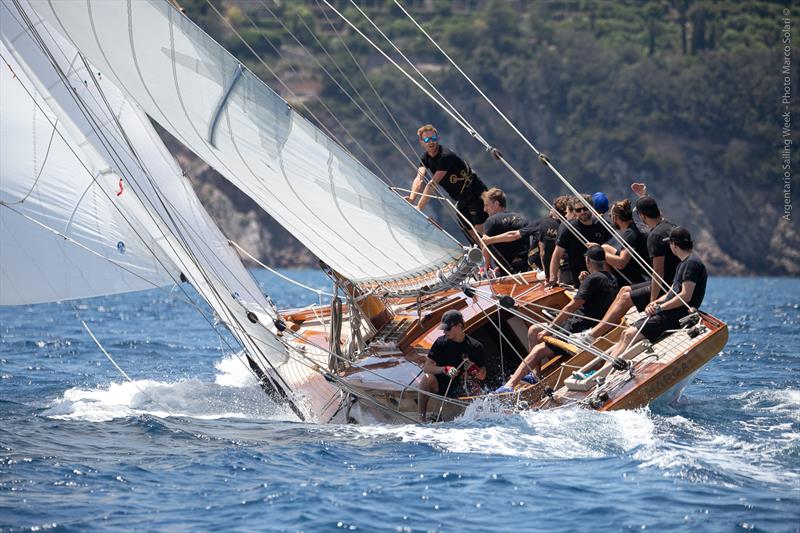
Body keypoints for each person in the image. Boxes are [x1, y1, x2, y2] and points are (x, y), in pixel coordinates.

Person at [496, 246, 618, 391]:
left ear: (587, 260)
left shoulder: (592, 279)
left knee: (538, 351)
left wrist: (550, 330)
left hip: (578, 328)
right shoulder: (611, 279)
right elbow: (593, 300)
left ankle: (509, 386)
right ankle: (535, 375)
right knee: (534, 330)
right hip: (590, 322)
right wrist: (582, 283)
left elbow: (571, 307)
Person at [574, 195, 680, 343]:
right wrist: (644, 195)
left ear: (642, 215)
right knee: (624, 290)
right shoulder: (668, 225)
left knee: (624, 297)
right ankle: (597, 328)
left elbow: (656, 272)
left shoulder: (645, 235)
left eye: (611, 216)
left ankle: (591, 336)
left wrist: (653, 301)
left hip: (666, 285)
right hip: (670, 281)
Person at [608, 227, 707, 358]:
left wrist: (660, 308)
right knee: (625, 333)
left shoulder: (691, 264)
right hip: (667, 312)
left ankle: (605, 373)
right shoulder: (683, 264)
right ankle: (605, 367)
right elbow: (672, 291)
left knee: (628, 335)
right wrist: (655, 302)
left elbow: (685, 296)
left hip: (674, 315)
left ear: (674, 245)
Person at [406, 124, 489, 242]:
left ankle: (491, 257)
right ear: (421, 143)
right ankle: (479, 254)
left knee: (479, 229)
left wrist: (419, 207)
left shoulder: (445, 156)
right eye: (427, 139)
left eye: (433, 138)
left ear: (438, 139)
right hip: (461, 198)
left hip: (475, 192)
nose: (431, 142)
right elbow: (419, 178)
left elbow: (432, 184)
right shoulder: (425, 158)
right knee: (468, 230)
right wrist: (411, 198)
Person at [418, 310, 487, 422]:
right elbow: (427, 367)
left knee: (477, 388)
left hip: (461, 386)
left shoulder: (475, 346)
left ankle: (481, 419)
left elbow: (482, 375)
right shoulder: (441, 342)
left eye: (448, 329)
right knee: (426, 378)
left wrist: (474, 369)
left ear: (459, 326)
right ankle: (422, 418)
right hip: (440, 385)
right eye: (443, 329)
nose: (445, 332)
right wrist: (444, 369)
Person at [548, 195, 612, 288]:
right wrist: (552, 279)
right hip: (579, 280)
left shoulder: (601, 225)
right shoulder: (568, 228)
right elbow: (557, 254)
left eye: (585, 209)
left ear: (591, 207)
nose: (582, 212)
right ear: (574, 211)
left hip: (602, 278)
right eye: (578, 210)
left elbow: (609, 250)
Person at [479, 188, 531, 274]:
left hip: (508, 270)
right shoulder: (522, 218)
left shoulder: (491, 221)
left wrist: (484, 270)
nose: (485, 209)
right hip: (526, 267)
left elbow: (486, 247)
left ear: (496, 204)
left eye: (487, 205)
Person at [601, 199, 650, 287]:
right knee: (605, 247)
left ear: (615, 217)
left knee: (600, 252)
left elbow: (621, 263)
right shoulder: (638, 226)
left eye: (610, 216)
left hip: (644, 276)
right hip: (637, 264)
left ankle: (612, 287)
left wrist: (599, 253)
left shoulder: (630, 234)